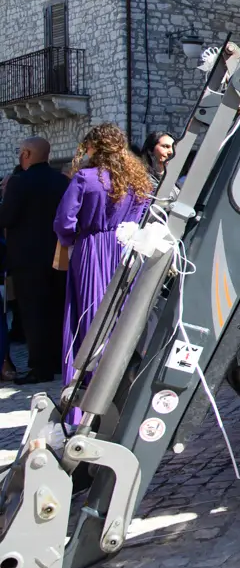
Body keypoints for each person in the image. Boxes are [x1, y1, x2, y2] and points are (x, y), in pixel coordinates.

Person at [54, 124, 151, 398]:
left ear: (94, 147)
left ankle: (90, 390)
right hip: (125, 248)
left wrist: (72, 238)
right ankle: (123, 387)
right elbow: (143, 213)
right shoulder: (137, 179)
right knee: (123, 315)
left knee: (90, 314)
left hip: (92, 248)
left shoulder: (85, 178)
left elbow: (64, 221)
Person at [0, 137, 69, 383]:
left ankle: (40, 368)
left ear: (27, 154)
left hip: (27, 259)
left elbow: (5, 218)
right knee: (56, 309)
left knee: (33, 313)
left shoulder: (19, 182)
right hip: (57, 256)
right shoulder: (62, 181)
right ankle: (59, 362)